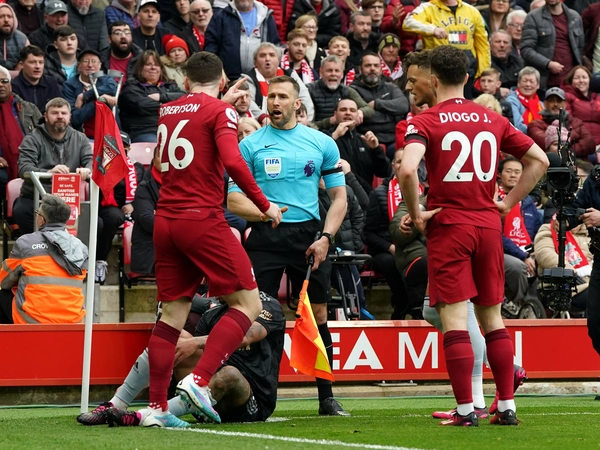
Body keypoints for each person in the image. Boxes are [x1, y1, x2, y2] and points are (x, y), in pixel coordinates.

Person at [398, 45, 548, 426]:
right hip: (488, 226)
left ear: (433, 80)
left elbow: (408, 169)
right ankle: (507, 406)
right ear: (467, 78)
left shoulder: (426, 120)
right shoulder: (492, 118)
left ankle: (467, 409)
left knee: (453, 321)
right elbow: (540, 160)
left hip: (450, 226)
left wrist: (416, 213)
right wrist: (507, 202)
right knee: (493, 319)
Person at [141, 51, 283, 428]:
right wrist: (265, 205)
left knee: (172, 316)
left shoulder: (168, 110)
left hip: (166, 219)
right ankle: (199, 381)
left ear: (186, 81)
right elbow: (233, 161)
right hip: (200, 217)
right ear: (221, 81)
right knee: (249, 303)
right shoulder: (221, 112)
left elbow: (160, 161)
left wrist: (220, 106)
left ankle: (158, 408)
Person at [227, 75, 350, 417]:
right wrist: (264, 212)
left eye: (282, 96)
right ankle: (257, 395)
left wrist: (326, 238)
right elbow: (233, 199)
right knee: (257, 314)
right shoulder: (250, 145)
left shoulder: (321, 142)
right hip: (265, 235)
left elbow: (339, 198)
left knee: (318, 315)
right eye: (271, 97)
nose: (275, 102)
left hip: (310, 237)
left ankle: (326, 398)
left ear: (297, 103)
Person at [76, 292, 285, 426]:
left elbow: (245, 336)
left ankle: (144, 415)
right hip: (207, 401)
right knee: (169, 339)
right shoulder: (212, 315)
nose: (213, 288)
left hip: (253, 401)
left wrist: (196, 342)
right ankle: (116, 403)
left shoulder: (266, 305)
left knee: (230, 374)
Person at [0, 194, 88, 325]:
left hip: (32, 321)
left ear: (42, 220)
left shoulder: (26, 243)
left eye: (37, 213)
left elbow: (4, 281)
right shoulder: (81, 248)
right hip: (72, 321)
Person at [13, 97, 92, 234]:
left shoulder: (81, 138)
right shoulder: (32, 138)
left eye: (63, 113)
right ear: (45, 116)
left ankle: (75, 248)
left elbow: (91, 161)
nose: (59, 116)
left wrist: (87, 169)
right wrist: (49, 172)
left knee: (98, 223)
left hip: (69, 198)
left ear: (70, 117)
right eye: (55, 113)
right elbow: (24, 169)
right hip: (36, 197)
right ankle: (38, 245)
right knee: (21, 211)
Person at [402, 0, 490, 99]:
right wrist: (432, 30)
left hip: (466, 71)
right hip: (437, 71)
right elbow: (408, 23)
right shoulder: (427, 8)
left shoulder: (472, 11)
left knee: (465, 104)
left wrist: (483, 72)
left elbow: (483, 45)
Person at [95, 131, 144, 284]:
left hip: (127, 209)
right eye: (117, 146)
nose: (120, 149)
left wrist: (134, 205)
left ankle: (143, 268)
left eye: (124, 146)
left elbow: (143, 190)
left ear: (128, 149)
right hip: (103, 206)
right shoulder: (101, 165)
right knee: (108, 218)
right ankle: (98, 261)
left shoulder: (137, 167)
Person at [118, 49, 185, 142]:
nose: (153, 68)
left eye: (156, 65)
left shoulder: (169, 85)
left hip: (172, 131)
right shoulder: (131, 87)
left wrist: (161, 97)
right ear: (140, 68)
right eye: (148, 64)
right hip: (144, 132)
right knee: (158, 145)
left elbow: (185, 98)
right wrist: (174, 106)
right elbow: (142, 106)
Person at [204, 0, 281, 81]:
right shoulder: (220, 17)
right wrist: (218, 73)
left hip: (260, 80)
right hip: (228, 80)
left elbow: (275, 47)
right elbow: (210, 50)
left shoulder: (266, 16)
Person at [328, 97, 391, 194]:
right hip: (336, 194)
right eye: (343, 110)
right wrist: (334, 136)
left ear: (357, 115)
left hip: (366, 196)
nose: (348, 113)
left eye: (352, 110)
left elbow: (384, 172)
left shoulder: (365, 140)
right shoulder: (325, 138)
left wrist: (376, 149)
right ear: (335, 115)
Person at [350, 51, 409, 153]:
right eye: (368, 65)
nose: (372, 69)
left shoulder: (391, 87)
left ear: (381, 70)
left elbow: (403, 106)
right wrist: (390, 113)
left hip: (392, 139)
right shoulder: (352, 90)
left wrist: (376, 104)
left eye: (376, 66)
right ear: (360, 69)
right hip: (365, 139)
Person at [244, 43, 315, 125]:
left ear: (278, 60)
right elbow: (248, 102)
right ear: (255, 61)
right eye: (262, 55)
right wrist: (262, 118)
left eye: (272, 55)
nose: (267, 59)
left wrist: (306, 122)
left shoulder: (290, 75)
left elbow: (305, 98)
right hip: (260, 125)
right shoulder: (247, 78)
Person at [520, 0, 584, 90]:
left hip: (571, 81)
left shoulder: (575, 17)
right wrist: (548, 64)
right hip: (545, 81)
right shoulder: (533, 17)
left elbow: (580, 48)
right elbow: (526, 50)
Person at [0, 66, 42, 199]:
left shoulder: (27, 108)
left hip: (30, 160)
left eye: (4, 81)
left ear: (10, 85)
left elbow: (45, 134)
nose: (1, 85)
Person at [307, 55, 374, 131]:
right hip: (318, 134)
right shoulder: (309, 90)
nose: (333, 74)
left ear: (342, 74)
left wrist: (360, 112)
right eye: (329, 70)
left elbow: (369, 110)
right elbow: (305, 124)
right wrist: (328, 122)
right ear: (321, 72)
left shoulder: (347, 90)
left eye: (337, 71)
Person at [527, 87, 596, 159]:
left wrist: (568, 151)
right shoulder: (536, 124)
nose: (555, 104)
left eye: (559, 101)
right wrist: (569, 143)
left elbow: (590, 143)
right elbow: (542, 142)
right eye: (551, 101)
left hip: (576, 160)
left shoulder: (576, 122)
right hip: (549, 161)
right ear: (545, 103)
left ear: (565, 104)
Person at [63, 49, 118, 139]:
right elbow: (74, 118)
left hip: (109, 136)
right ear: (79, 66)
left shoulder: (106, 80)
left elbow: (112, 89)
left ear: (100, 66)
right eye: (86, 61)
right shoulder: (69, 85)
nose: (90, 65)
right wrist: (99, 101)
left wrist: (85, 96)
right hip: (82, 137)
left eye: (94, 61)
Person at [11, 45, 63, 114]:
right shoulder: (14, 86)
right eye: (32, 62)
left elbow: (60, 107)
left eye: (41, 62)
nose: (38, 66)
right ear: (22, 64)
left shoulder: (51, 83)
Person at [562, 65, 600, 150]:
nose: (581, 80)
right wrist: (588, 145)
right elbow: (569, 122)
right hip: (581, 143)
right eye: (577, 78)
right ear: (571, 81)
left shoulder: (598, 97)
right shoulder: (567, 97)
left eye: (584, 77)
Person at [506, 66, 544, 133]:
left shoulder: (541, 105)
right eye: (525, 81)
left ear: (538, 85)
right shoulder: (511, 101)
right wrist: (537, 134)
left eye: (531, 81)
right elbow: (518, 126)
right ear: (518, 83)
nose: (528, 84)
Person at [490, 30, 524, 94]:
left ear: (511, 48)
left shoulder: (519, 63)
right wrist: (497, 91)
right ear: (490, 46)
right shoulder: (484, 64)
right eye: (498, 42)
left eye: (505, 42)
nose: (502, 45)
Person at [0, 3, 29, 70]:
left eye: (9, 16)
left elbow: (28, 63)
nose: (6, 20)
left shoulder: (23, 39)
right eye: (1, 17)